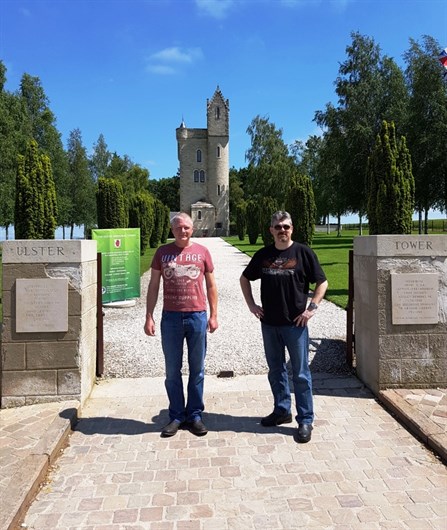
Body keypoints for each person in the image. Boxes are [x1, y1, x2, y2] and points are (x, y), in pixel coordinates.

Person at [240, 211, 327, 443]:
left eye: (286, 226)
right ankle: (281, 410)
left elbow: (322, 281)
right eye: (278, 226)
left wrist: (312, 309)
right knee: (276, 370)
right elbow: (244, 278)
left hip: (295, 325)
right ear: (271, 230)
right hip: (269, 324)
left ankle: (306, 419)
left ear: (292, 228)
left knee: (300, 373)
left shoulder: (303, 253)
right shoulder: (264, 255)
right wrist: (251, 305)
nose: (282, 230)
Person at [144, 212, 218, 437]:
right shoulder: (162, 253)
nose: (182, 231)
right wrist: (149, 315)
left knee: (197, 370)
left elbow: (211, 286)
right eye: (178, 228)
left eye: (186, 227)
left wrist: (214, 315)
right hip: (171, 318)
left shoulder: (202, 252)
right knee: (171, 370)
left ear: (192, 229)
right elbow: (154, 285)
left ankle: (195, 414)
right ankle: (176, 415)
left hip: (197, 316)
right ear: (172, 230)